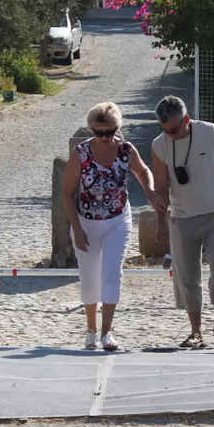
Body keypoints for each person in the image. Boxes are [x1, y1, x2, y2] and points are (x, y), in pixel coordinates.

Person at [64, 102, 165, 350]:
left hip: (118, 220)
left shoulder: (126, 150)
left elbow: (143, 172)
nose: (104, 137)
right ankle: (91, 330)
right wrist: (77, 228)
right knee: (89, 276)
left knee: (112, 273)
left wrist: (149, 190)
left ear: (117, 129)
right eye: (98, 132)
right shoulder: (81, 153)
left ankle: (107, 331)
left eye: (109, 132)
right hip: (86, 221)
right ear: (91, 129)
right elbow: (67, 192)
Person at [151, 96, 214, 348]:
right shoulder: (159, 145)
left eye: (175, 129)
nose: (171, 135)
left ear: (187, 120)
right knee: (188, 276)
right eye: (165, 130)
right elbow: (161, 186)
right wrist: (161, 221)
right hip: (182, 218)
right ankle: (195, 331)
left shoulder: (209, 132)